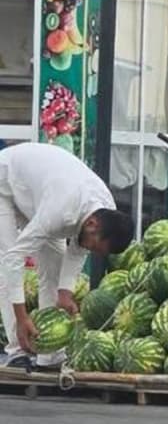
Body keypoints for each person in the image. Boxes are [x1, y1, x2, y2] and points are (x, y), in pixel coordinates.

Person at [0, 143, 134, 367]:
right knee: (6, 258)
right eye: (96, 247)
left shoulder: (105, 210)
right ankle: (16, 350)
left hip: (39, 196)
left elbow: (79, 249)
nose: (91, 251)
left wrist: (65, 294)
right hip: (4, 181)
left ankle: (49, 353)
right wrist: (22, 317)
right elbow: (14, 258)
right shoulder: (60, 210)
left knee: (54, 262)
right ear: (92, 224)